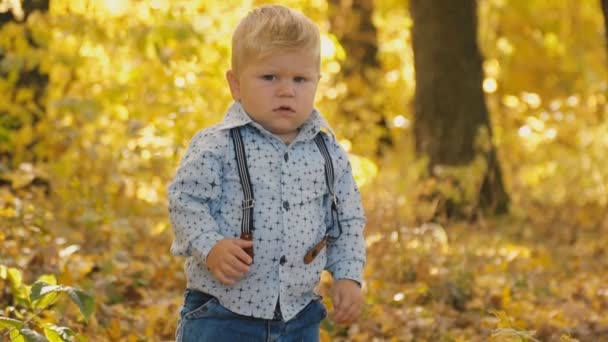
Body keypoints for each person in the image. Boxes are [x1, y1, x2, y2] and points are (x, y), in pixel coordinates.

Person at [168, 4, 366, 341]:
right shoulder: (217, 145)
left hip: (299, 315)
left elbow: (347, 220)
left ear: (316, 83)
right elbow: (184, 201)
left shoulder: (328, 153)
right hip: (221, 313)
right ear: (236, 84)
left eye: (300, 79)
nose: (286, 90)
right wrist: (211, 246)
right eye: (269, 77)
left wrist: (348, 275)